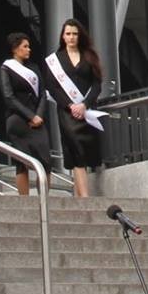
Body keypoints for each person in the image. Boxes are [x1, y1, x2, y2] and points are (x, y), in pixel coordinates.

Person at [43, 18, 104, 197]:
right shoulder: (55, 60)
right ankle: (85, 197)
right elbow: (52, 87)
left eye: (75, 34)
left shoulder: (89, 56)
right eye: (68, 34)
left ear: (80, 36)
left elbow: (97, 84)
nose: (71, 37)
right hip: (67, 113)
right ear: (63, 36)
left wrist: (84, 104)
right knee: (77, 150)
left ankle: (78, 196)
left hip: (87, 112)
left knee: (84, 151)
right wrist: (70, 105)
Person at [0, 32, 53, 195]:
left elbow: (42, 93)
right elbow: (8, 97)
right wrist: (30, 116)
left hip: (38, 120)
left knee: (46, 161)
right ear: (15, 49)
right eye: (25, 46)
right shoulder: (6, 68)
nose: (29, 49)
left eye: (29, 46)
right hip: (17, 119)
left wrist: (39, 115)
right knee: (22, 162)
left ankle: (44, 199)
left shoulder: (34, 67)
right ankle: (25, 200)